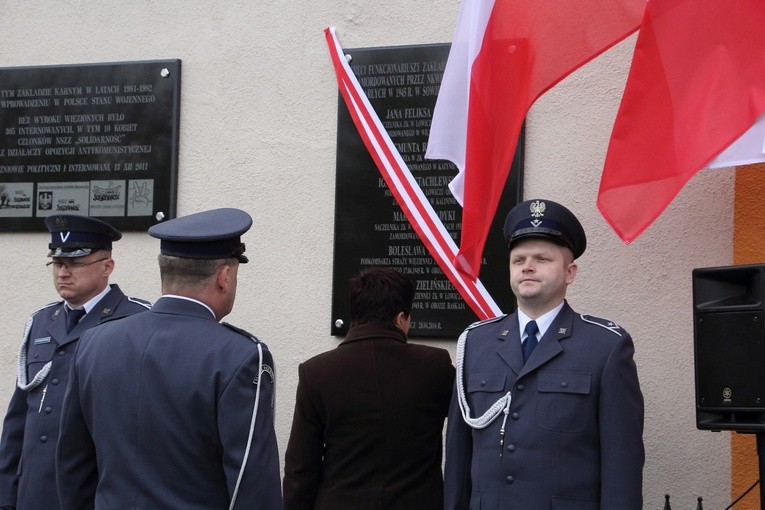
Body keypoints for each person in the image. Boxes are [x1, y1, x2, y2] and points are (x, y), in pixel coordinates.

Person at [55, 208, 281, 510]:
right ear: (224, 277)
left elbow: (73, 467)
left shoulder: (94, 342)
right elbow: (251, 483)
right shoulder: (239, 356)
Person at [444, 199, 644, 510]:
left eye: (542, 259)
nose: (527, 266)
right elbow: (458, 455)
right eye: (518, 259)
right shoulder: (476, 342)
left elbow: (622, 464)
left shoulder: (605, 347)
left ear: (570, 272)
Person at [0, 215, 151, 510]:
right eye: (57, 264)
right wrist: (6, 495)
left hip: (97, 492)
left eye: (75, 264)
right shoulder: (42, 321)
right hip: (36, 492)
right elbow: (19, 417)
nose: (63, 273)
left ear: (107, 266)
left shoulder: (138, 320)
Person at [283, 267, 455, 510]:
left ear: (354, 315)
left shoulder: (316, 372)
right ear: (400, 319)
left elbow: (301, 469)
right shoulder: (434, 366)